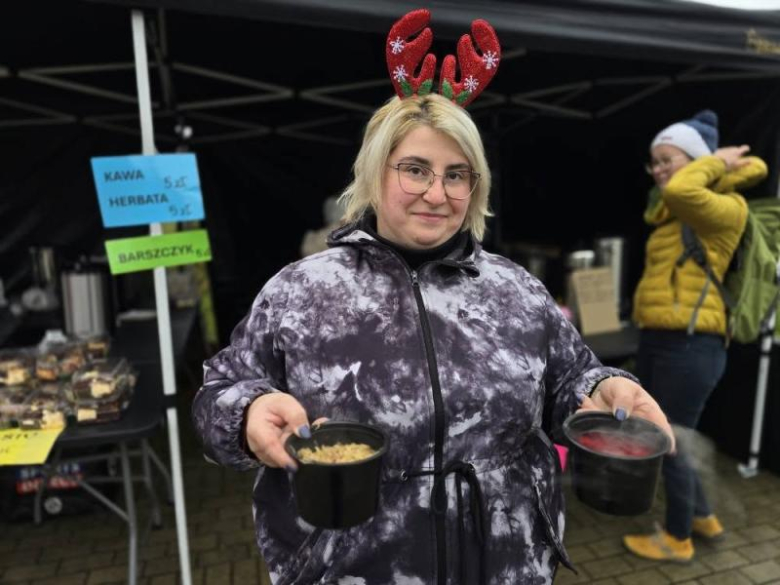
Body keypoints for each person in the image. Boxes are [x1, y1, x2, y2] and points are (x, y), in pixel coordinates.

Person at [193, 10, 673, 584]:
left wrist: (603, 387)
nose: (436, 194)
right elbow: (218, 391)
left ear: (476, 187)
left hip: (505, 564)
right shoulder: (301, 292)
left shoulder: (515, 290)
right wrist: (245, 414)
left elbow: (569, 378)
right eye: (415, 169)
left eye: (456, 174)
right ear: (374, 175)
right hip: (354, 567)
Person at [624, 110, 768, 562]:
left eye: (669, 158)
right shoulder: (671, 214)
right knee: (674, 436)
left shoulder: (726, 209)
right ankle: (703, 516)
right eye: (655, 161)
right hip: (663, 339)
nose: (660, 169)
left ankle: (677, 538)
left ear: (700, 160)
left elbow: (688, 188)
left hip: (691, 347)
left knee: (672, 443)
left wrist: (718, 164)